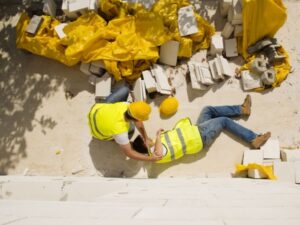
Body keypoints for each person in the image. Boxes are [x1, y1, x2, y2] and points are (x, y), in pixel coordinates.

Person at [131, 95, 271, 163]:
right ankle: (253, 139)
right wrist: (159, 136)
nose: (147, 138)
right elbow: (159, 153)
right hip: (199, 138)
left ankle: (242, 109)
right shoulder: (156, 155)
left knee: (207, 110)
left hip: (195, 130)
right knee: (223, 121)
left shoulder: (155, 145)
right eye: (145, 139)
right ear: (145, 145)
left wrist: (158, 136)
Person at [88, 80, 162, 161]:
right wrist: (150, 158)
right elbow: (129, 153)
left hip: (96, 110)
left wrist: (146, 138)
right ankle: (114, 139)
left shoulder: (126, 105)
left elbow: (137, 120)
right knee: (131, 130)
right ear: (136, 118)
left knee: (125, 90)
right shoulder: (120, 132)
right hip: (97, 133)